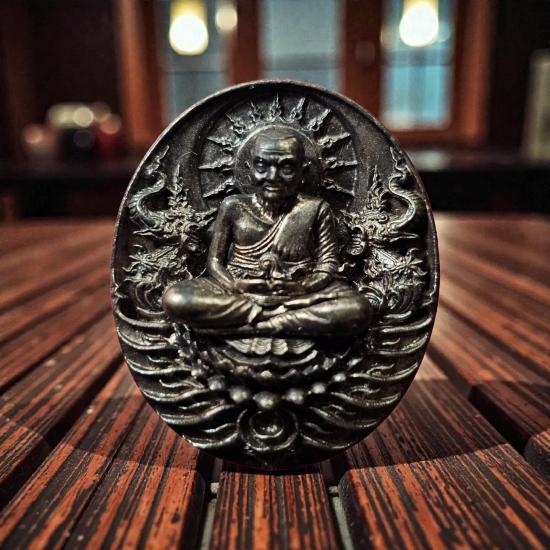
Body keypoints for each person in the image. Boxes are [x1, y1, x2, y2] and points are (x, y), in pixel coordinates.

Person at [162, 127, 372, 336]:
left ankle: (251, 326)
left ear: (303, 171)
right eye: (262, 166)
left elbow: (327, 265)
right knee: (176, 299)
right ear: (249, 168)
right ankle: (281, 322)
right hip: (239, 289)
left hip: (297, 292)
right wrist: (235, 285)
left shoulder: (315, 208)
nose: (273, 177)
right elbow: (215, 262)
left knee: (357, 309)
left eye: (286, 167)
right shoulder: (233, 206)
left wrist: (302, 287)